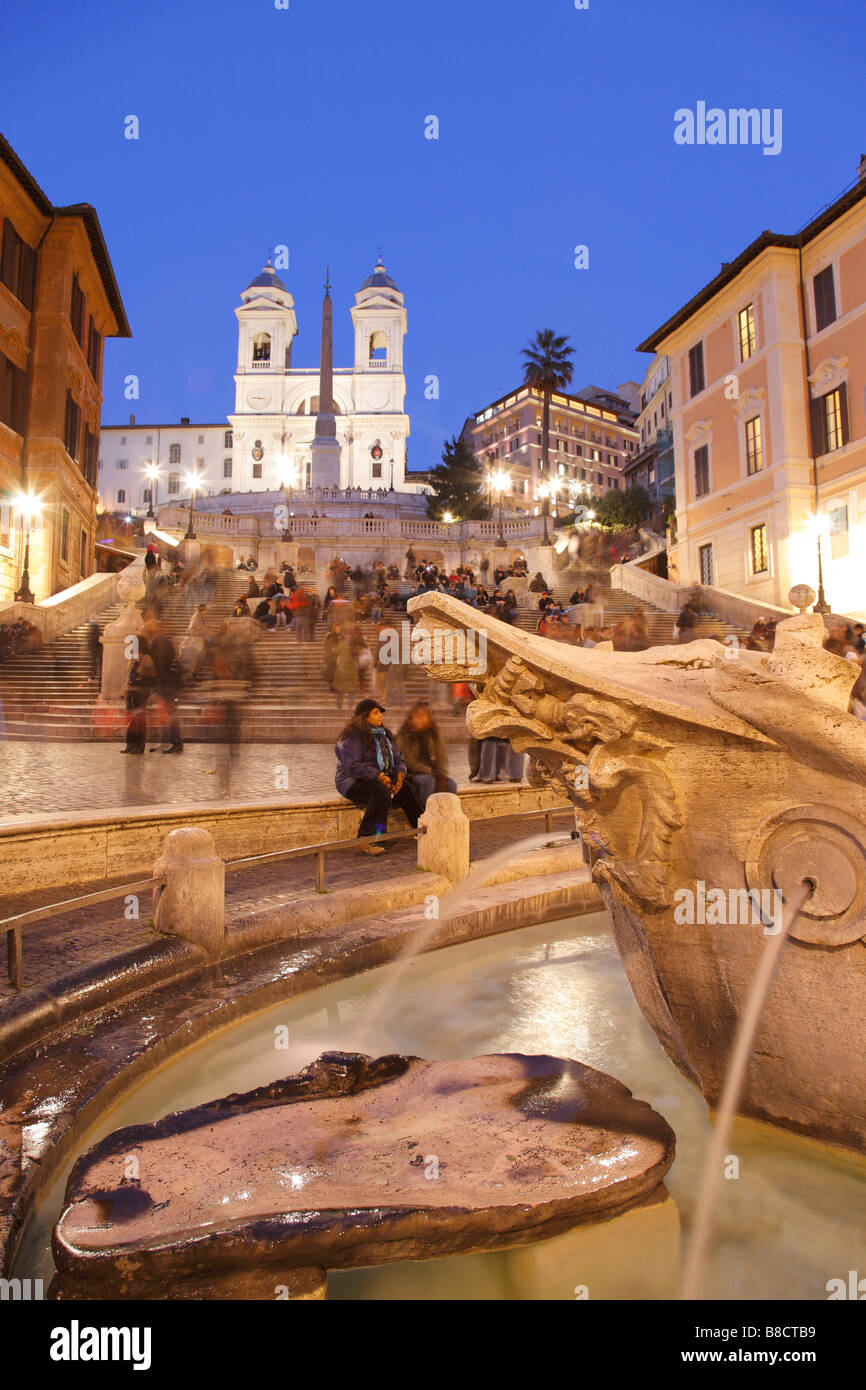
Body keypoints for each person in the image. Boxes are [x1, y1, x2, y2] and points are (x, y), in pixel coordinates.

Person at [335, 698, 423, 854]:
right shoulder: (352, 736)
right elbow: (353, 767)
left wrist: (399, 775)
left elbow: (399, 758)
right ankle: (367, 839)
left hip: (380, 778)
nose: (380, 716)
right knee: (380, 791)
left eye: (381, 713)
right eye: (376, 713)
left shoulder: (385, 735)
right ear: (364, 716)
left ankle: (423, 828)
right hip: (352, 781)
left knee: (406, 789)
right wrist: (378, 776)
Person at [397, 702, 456, 808]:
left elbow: (442, 756)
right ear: (411, 718)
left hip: (432, 772)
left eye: (423, 716)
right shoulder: (403, 735)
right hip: (411, 774)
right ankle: (423, 815)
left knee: (450, 784)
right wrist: (429, 772)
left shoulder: (434, 734)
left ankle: (448, 817)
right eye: (417, 716)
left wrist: (442, 774)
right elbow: (409, 762)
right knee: (427, 781)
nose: (420, 719)